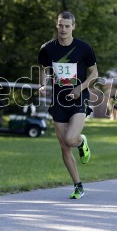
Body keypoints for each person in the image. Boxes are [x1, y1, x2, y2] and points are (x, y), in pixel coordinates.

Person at [38, 11, 97, 199]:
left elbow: (94, 74)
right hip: (58, 100)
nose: (63, 29)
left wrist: (80, 88)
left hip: (78, 98)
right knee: (64, 146)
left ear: (73, 26)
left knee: (71, 139)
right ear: (57, 25)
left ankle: (81, 142)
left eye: (67, 26)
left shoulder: (84, 48)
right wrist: (42, 85)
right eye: (60, 25)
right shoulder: (47, 49)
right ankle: (78, 185)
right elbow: (44, 70)